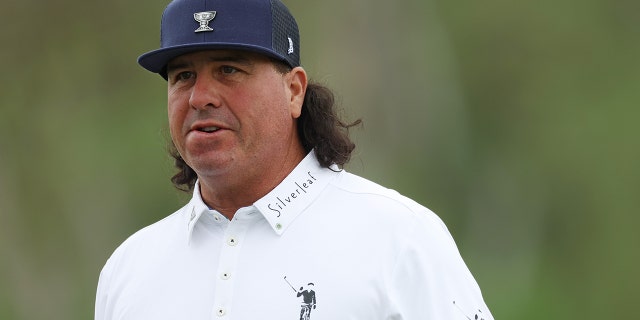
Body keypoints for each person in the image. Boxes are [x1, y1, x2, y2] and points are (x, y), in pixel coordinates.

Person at [95, 0, 495, 319]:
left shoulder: (400, 238)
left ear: (294, 91)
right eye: (182, 76)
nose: (200, 97)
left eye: (229, 69)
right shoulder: (129, 268)